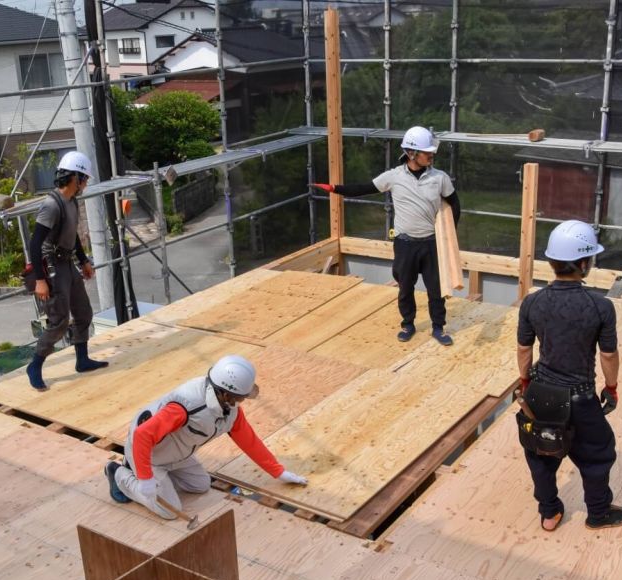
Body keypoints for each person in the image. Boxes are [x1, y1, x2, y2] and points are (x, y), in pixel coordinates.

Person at [516, 220, 622, 532]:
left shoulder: (532, 302)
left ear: (552, 261)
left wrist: (527, 384)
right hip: (580, 396)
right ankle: (598, 512)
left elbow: (524, 349)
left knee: (540, 452)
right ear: (583, 263)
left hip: (541, 393)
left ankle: (550, 513)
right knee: (597, 453)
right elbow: (608, 354)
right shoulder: (600, 306)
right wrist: (611, 387)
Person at [105, 355, 309, 519]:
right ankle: (119, 474)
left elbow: (249, 441)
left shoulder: (230, 409)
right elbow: (142, 435)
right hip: (149, 455)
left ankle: (162, 479)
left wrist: (278, 472)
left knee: (200, 485)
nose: (243, 401)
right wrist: (145, 478)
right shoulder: (186, 406)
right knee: (169, 510)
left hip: (177, 454)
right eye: (241, 397)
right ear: (225, 393)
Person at [313, 126, 460, 346]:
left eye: (432, 152)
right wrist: (334, 188)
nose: (432, 155)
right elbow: (363, 188)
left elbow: (455, 204)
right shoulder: (393, 177)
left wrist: (448, 236)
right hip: (405, 244)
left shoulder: (440, 178)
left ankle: (438, 328)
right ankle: (408, 324)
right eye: (427, 152)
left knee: (436, 290)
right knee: (405, 287)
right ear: (411, 153)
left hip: (431, 243)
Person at [25, 151, 108, 391]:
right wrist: (40, 280)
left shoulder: (72, 201)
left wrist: (83, 260)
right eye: (84, 178)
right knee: (59, 322)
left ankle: (82, 360)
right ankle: (35, 365)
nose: (85, 184)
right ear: (75, 177)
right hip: (52, 267)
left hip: (67, 263)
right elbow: (35, 243)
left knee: (84, 312)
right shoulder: (52, 205)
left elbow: (73, 236)